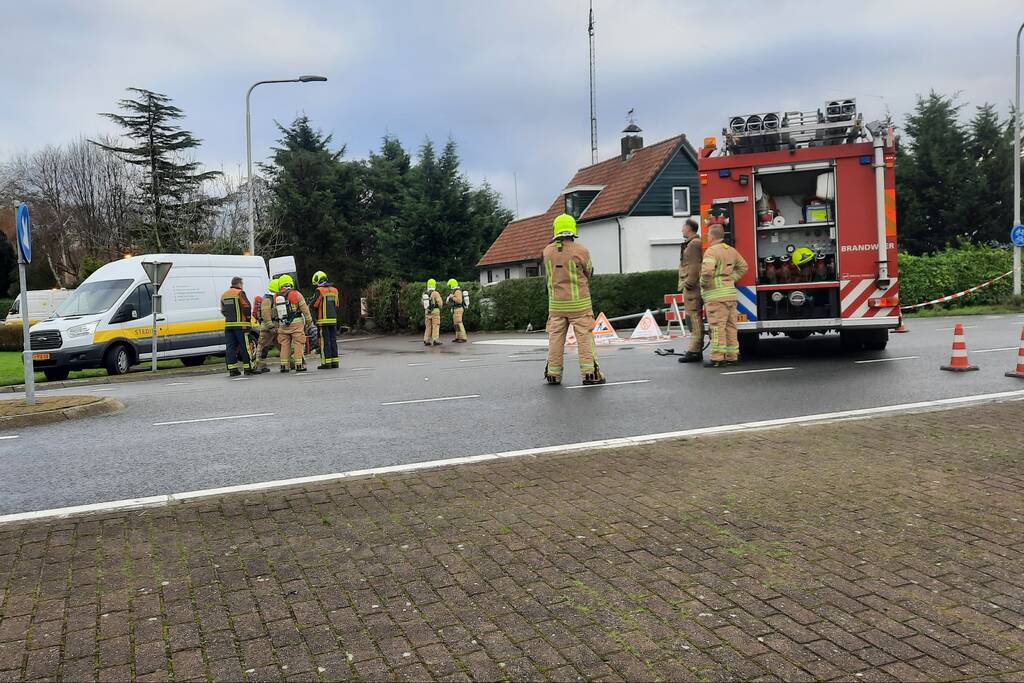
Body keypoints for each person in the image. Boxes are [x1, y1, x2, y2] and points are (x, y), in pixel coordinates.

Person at [542, 213, 606, 385]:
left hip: (556, 306)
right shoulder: (581, 250)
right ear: (572, 230)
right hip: (580, 306)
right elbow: (589, 271)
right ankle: (590, 373)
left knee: (555, 339)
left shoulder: (547, 251)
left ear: (555, 229)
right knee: (584, 339)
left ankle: (553, 374)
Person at [700, 224, 749, 367]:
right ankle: (732, 356)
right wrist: (731, 278)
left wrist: (703, 284)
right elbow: (744, 266)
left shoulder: (711, 252)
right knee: (731, 327)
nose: (707, 237)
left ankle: (717, 358)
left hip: (716, 297)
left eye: (708, 234)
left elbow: (708, 272)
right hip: (730, 295)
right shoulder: (731, 250)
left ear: (712, 236)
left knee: (717, 327)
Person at [677, 217, 704, 363]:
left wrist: (689, 284)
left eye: (683, 227)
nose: (681, 230)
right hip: (692, 287)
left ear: (688, 228)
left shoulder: (694, 244)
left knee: (693, 318)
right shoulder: (692, 243)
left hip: (692, 288)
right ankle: (695, 349)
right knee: (692, 318)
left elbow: (695, 266)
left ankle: (694, 351)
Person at [273, 275, 312, 372]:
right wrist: (309, 321)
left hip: (283, 325)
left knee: (284, 344)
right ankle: (299, 364)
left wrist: (277, 325)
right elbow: (305, 309)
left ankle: (284, 366)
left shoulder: (276, 296)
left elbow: (274, 312)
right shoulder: (296, 294)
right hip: (296, 324)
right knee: (298, 343)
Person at [220, 276, 256, 377]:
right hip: (242, 326)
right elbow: (246, 306)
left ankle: (233, 369)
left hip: (228, 326)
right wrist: (248, 318)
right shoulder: (239, 293)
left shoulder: (224, 295)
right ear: (239, 284)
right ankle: (248, 368)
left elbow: (223, 310)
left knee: (230, 347)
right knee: (245, 347)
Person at [311, 270, 340, 369]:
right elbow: (337, 305)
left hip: (323, 320)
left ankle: (326, 363)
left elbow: (314, 305)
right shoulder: (335, 290)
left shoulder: (319, 291)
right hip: (333, 320)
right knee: (333, 340)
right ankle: (335, 362)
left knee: (324, 342)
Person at [253, 278, 280, 373]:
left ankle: (290, 362)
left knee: (282, 345)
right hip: (268, 328)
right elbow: (266, 314)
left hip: (275, 326)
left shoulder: (273, 298)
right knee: (262, 346)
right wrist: (271, 326)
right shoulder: (267, 299)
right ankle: (258, 366)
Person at [445, 278, 468, 343]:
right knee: (456, 324)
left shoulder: (457, 291)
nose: (450, 287)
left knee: (459, 323)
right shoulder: (455, 291)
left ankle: (463, 338)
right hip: (455, 309)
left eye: (450, 285)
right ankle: (458, 337)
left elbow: (459, 301)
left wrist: (452, 297)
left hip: (458, 309)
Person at [423, 279, 444, 346]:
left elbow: (422, 303)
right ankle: (435, 340)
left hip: (427, 312)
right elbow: (440, 303)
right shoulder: (435, 293)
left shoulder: (425, 293)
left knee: (428, 326)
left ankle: (426, 340)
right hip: (435, 312)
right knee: (436, 326)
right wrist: (440, 306)